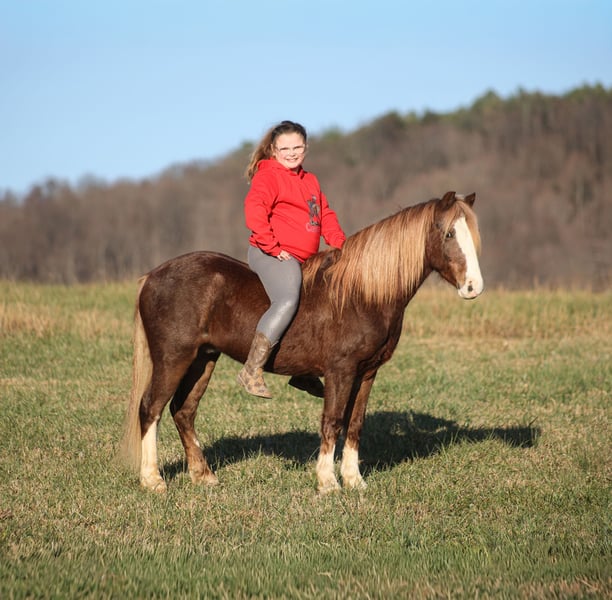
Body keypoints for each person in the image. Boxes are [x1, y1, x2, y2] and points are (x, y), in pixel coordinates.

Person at [238, 120, 346, 398]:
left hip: (305, 259)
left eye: (297, 147)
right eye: (285, 148)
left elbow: (324, 215)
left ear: (306, 148)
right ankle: (252, 369)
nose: (291, 153)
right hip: (272, 254)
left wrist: (342, 245)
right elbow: (254, 209)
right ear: (274, 150)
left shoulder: (310, 181)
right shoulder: (268, 176)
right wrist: (272, 246)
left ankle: (304, 373)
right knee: (287, 299)